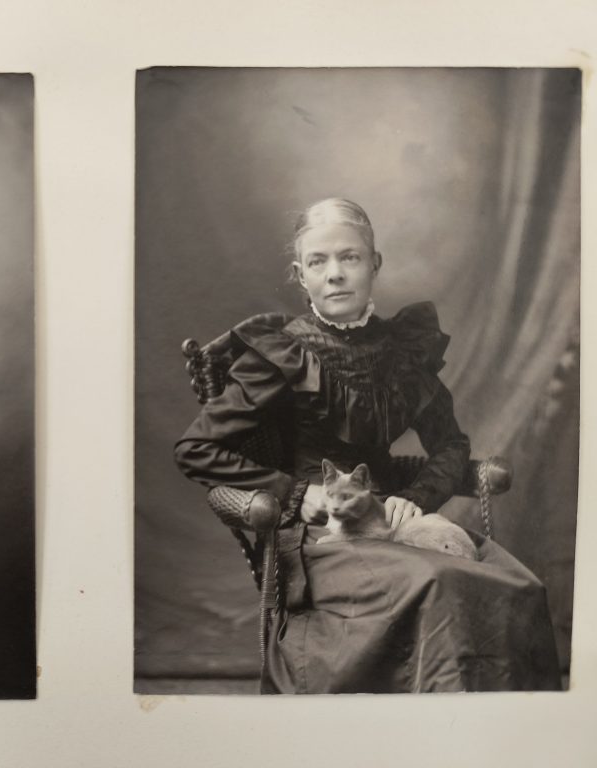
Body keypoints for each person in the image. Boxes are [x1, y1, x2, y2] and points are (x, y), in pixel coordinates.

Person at [174, 198, 562, 693]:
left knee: (517, 586)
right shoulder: (282, 353)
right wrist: (296, 493)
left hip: (396, 528)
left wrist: (416, 499)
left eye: (349, 257)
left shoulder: (402, 349)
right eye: (318, 262)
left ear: (374, 264)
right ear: (300, 274)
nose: (335, 274)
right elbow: (195, 449)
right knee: (440, 584)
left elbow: (451, 445)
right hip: (322, 539)